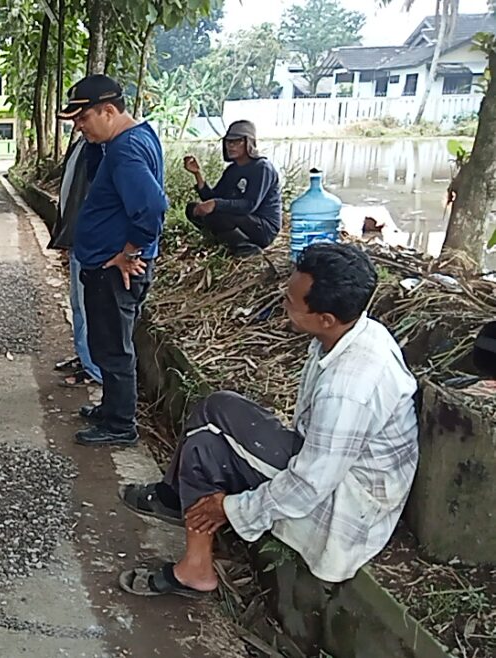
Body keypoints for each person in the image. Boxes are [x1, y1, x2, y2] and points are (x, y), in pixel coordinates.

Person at [116, 242, 418, 598]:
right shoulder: (353, 331)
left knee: (205, 447)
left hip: (345, 498)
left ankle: (196, 568)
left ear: (326, 319)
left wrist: (230, 508)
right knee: (215, 405)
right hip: (328, 463)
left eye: (291, 301)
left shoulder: (349, 389)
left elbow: (310, 484)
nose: (283, 301)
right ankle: (175, 497)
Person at [56, 74, 167, 447]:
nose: (80, 127)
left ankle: (120, 424)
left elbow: (152, 208)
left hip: (114, 270)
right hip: (110, 264)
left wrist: (128, 252)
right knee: (108, 343)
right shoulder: (130, 139)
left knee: (113, 348)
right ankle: (111, 408)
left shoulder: (125, 149)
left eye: (84, 119)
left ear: (108, 111)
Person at [183, 120, 282, 258]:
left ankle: (247, 248)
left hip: (263, 227)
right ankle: (224, 241)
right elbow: (211, 198)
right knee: (193, 209)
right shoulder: (232, 170)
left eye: (237, 142)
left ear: (249, 143)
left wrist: (216, 204)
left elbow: (250, 205)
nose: (231, 146)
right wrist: (197, 174)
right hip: (241, 219)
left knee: (219, 213)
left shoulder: (262, 168)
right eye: (229, 142)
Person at [52, 131, 105, 388]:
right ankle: (85, 358)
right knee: (78, 304)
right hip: (80, 239)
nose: (78, 123)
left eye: (83, 116)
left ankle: (94, 368)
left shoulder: (106, 147)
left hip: (93, 243)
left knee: (88, 307)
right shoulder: (83, 144)